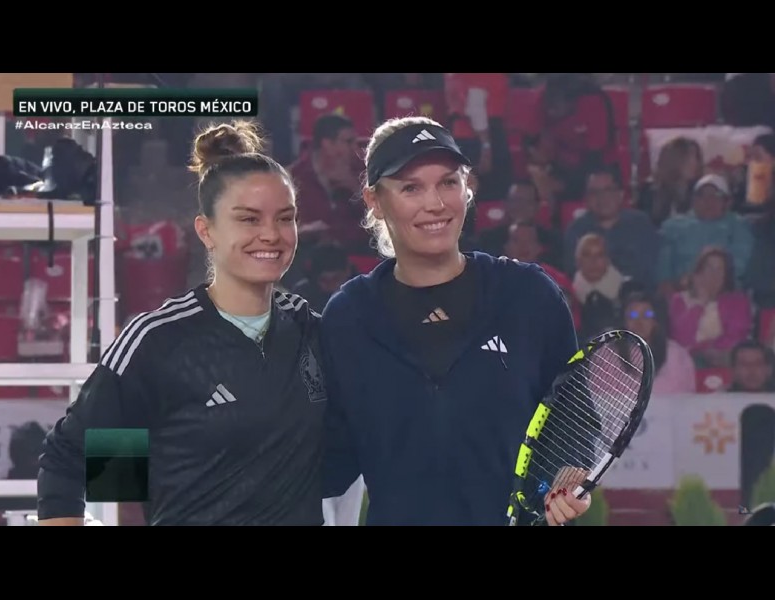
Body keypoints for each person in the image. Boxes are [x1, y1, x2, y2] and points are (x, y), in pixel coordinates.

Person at [36, 120, 327, 526]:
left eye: (285, 218)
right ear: (206, 231)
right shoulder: (158, 341)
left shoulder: (309, 329)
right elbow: (69, 462)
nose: (271, 234)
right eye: (248, 219)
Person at [320, 116, 592, 526]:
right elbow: (332, 462)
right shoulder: (349, 317)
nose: (435, 204)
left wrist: (569, 476)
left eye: (448, 182)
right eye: (411, 187)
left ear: (468, 188)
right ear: (374, 200)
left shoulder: (527, 295)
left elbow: (574, 419)